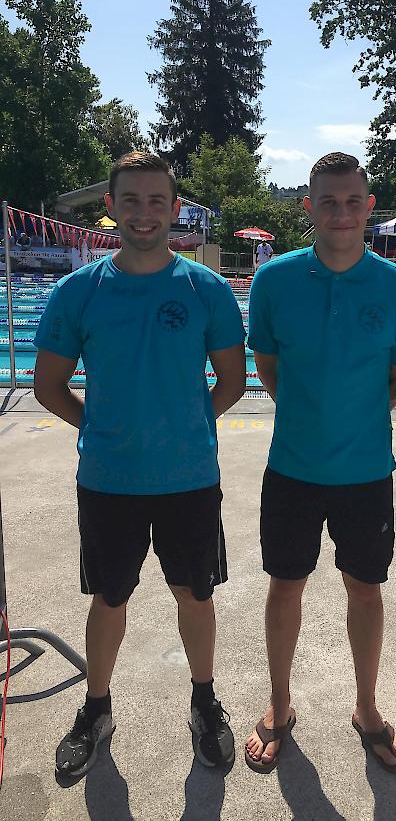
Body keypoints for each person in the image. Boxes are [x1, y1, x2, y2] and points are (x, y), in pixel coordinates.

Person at [33, 151, 246, 779]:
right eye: (132, 201)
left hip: (188, 480)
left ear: (176, 210)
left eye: (158, 201)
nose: (145, 213)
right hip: (108, 479)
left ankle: (204, 703)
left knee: (195, 596)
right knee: (109, 598)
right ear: (111, 208)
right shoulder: (79, 292)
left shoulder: (204, 289)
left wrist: (184, 426)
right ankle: (97, 707)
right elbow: (49, 387)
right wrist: (103, 430)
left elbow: (232, 381)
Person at [244, 152, 396, 775]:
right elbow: (267, 368)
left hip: (366, 472)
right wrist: (312, 414)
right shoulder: (275, 282)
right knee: (284, 585)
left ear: (369, 206)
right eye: (329, 201)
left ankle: (367, 707)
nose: (342, 213)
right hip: (292, 467)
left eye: (353, 201)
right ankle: (279, 704)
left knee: (365, 589)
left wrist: (352, 423)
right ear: (309, 207)